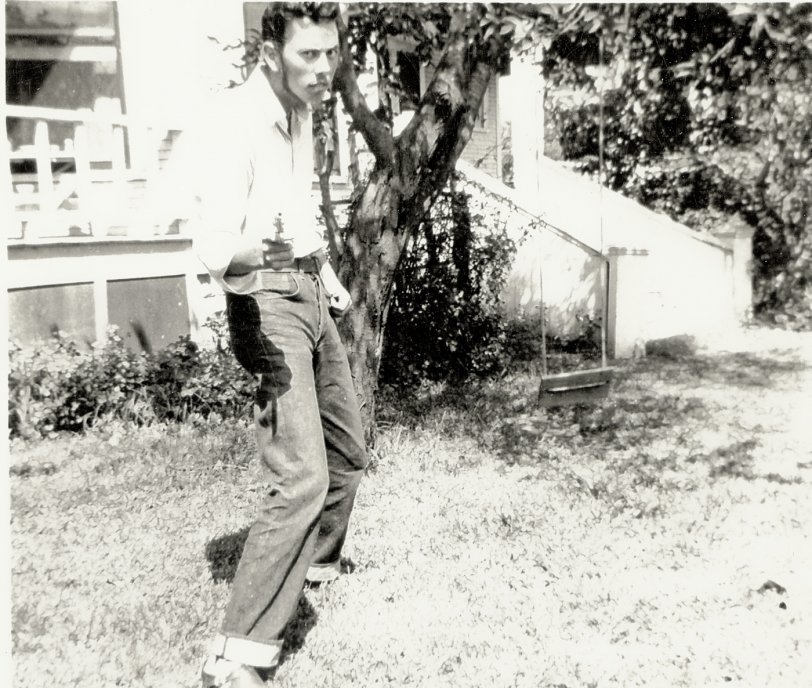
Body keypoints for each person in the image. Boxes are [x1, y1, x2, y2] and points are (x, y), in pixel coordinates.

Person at [190, 4, 367, 686]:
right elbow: (212, 245)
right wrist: (255, 254)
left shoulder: (298, 111)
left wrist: (324, 274)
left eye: (331, 54)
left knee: (347, 451)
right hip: (263, 303)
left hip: (306, 292)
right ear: (271, 53)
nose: (325, 69)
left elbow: (295, 206)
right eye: (308, 56)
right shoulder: (231, 124)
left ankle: (313, 564)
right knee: (302, 475)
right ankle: (236, 652)